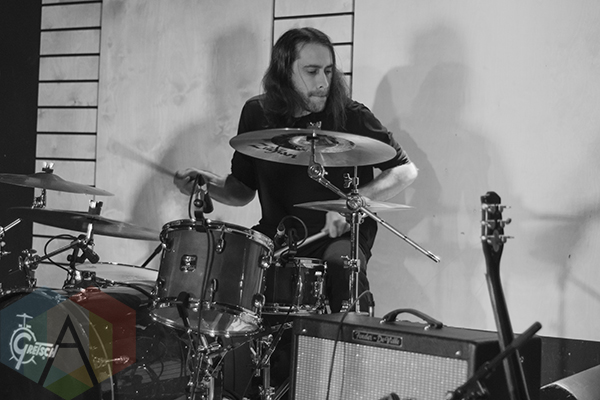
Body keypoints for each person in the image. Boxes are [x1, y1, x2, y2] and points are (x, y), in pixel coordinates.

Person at [174, 27, 417, 315]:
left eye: (328, 71)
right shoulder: (257, 113)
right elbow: (241, 190)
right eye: (311, 71)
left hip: (337, 236)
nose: (323, 82)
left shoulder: (351, 116)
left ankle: (350, 338)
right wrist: (205, 184)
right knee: (230, 264)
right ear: (284, 73)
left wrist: (354, 203)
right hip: (278, 234)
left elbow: (405, 170)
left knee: (341, 268)